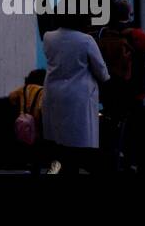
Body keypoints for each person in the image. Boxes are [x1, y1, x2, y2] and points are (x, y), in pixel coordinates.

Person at [97, 0, 145, 173]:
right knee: (134, 129)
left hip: (110, 89)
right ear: (129, 14)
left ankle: (111, 160)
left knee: (111, 126)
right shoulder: (133, 34)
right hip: (133, 90)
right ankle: (130, 162)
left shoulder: (104, 32)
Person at [41, 12, 110, 173]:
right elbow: (101, 71)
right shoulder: (86, 40)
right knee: (78, 142)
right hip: (79, 96)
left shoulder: (48, 37)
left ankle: (60, 168)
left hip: (53, 93)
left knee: (58, 140)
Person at [8, 69, 46, 174]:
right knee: (39, 147)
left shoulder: (23, 90)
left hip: (24, 123)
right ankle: (42, 168)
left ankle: (31, 167)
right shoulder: (43, 91)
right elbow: (42, 108)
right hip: (37, 125)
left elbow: (11, 97)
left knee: (28, 146)